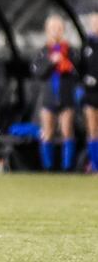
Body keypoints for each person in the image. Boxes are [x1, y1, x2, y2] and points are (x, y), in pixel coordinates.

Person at [32, 14, 78, 171]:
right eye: (52, 28)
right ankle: (48, 167)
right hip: (48, 97)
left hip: (66, 98)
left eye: (59, 28)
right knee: (48, 132)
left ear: (63, 30)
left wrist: (67, 64)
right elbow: (38, 73)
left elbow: (77, 71)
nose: (55, 31)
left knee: (67, 131)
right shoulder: (43, 52)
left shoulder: (71, 51)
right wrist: (51, 62)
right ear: (47, 30)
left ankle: (67, 168)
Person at [81, 13, 98, 172]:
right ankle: (95, 165)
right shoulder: (86, 46)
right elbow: (80, 68)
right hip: (90, 93)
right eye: (94, 23)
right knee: (92, 129)